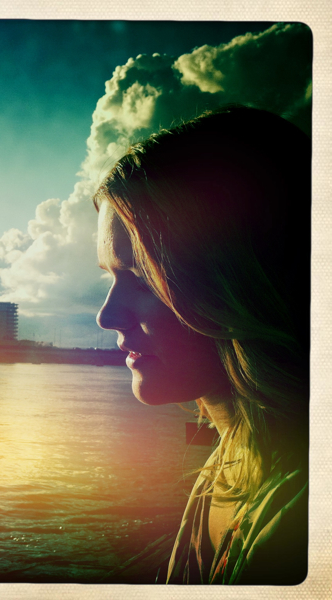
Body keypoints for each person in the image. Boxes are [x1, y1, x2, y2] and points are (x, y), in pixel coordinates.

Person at [93, 105, 310, 585]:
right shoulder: (237, 459)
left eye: (143, 277)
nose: (107, 316)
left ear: (240, 284)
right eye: (111, 278)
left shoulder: (301, 521)